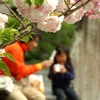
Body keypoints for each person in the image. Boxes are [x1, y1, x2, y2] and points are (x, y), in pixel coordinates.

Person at [0, 33, 53, 100]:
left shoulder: (21, 48)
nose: (35, 45)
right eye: (35, 41)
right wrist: (40, 65)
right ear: (28, 39)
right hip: (6, 82)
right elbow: (21, 71)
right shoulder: (15, 48)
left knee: (40, 97)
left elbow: (18, 71)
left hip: (17, 81)